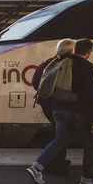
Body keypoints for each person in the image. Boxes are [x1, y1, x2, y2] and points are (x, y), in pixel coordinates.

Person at [27, 38, 93, 184]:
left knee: (61, 138)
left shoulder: (58, 63)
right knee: (90, 142)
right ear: (89, 52)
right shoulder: (85, 67)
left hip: (57, 109)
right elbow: (88, 96)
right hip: (79, 111)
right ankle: (87, 179)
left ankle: (37, 167)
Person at [31, 39, 76, 176]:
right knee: (62, 134)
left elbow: (35, 82)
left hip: (47, 103)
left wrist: (48, 94)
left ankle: (51, 162)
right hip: (64, 104)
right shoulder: (70, 64)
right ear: (71, 50)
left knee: (56, 132)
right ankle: (55, 164)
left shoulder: (47, 63)